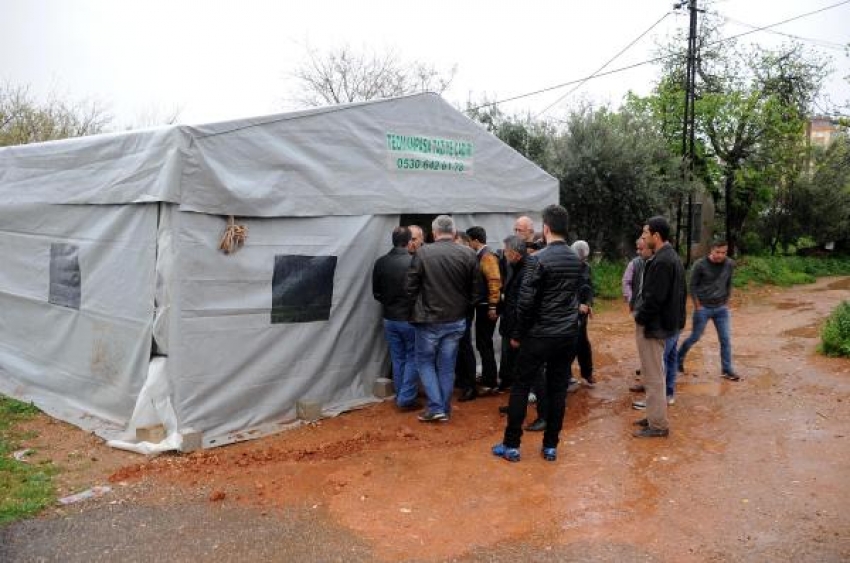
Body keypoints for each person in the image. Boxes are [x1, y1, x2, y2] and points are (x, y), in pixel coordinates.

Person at [492, 204, 582, 462]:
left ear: (545, 228)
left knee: (520, 387)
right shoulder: (576, 259)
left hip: (539, 335)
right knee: (557, 390)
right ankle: (551, 446)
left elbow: (525, 303)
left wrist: (518, 334)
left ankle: (512, 445)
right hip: (566, 335)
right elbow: (573, 297)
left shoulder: (537, 260)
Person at [406, 215, 479, 423]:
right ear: (454, 233)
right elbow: (476, 292)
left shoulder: (422, 253)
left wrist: (417, 307)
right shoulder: (468, 254)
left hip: (429, 319)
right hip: (456, 320)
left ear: (434, 232)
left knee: (425, 362)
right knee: (447, 365)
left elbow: (410, 288)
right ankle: (442, 408)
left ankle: (437, 407)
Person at [631, 216, 686, 438]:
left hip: (654, 328)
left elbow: (655, 299)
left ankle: (658, 425)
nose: (643, 238)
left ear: (656, 236)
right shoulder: (669, 257)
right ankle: (654, 416)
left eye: (645, 234)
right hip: (662, 326)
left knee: (653, 377)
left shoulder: (663, 261)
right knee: (655, 375)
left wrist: (640, 318)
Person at [677, 240, 739, 381]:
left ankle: (727, 369)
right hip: (703, 308)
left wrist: (727, 300)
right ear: (711, 250)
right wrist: (698, 305)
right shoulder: (700, 264)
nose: (720, 255)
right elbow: (692, 285)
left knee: (725, 339)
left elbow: (729, 282)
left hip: (721, 308)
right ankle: (678, 359)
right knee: (695, 337)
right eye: (718, 252)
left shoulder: (729, 264)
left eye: (723, 252)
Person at [372, 227, 419, 411]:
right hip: (409, 318)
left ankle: (401, 395)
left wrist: (389, 303)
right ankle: (406, 398)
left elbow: (376, 292)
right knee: (413, 357)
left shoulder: (381, 262)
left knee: (398, 358)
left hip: (389, 317)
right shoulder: (413, 262)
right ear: (409, 242)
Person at [462, 226, 501, 398]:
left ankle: (490, 382)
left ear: (476, 241)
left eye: (469, 241)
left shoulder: (487, 256)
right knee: (483, 342)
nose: (468, 244)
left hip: (488, 307)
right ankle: (488, 378)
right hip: (484, 306)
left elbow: (494, 281)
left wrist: (493, 306)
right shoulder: (482, 255)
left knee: (484, 343)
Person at [571, 240, 595, 387]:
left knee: (583, 344)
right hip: (570, 311)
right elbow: (565, 290)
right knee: (569, 344)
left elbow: (589, 288)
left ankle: (587, 373)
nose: (582, 260)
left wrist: (588, 304)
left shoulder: (587, 267)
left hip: (582, 313)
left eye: (583, 258)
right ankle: (566, 376)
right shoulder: (567, 268)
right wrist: (576, 305)